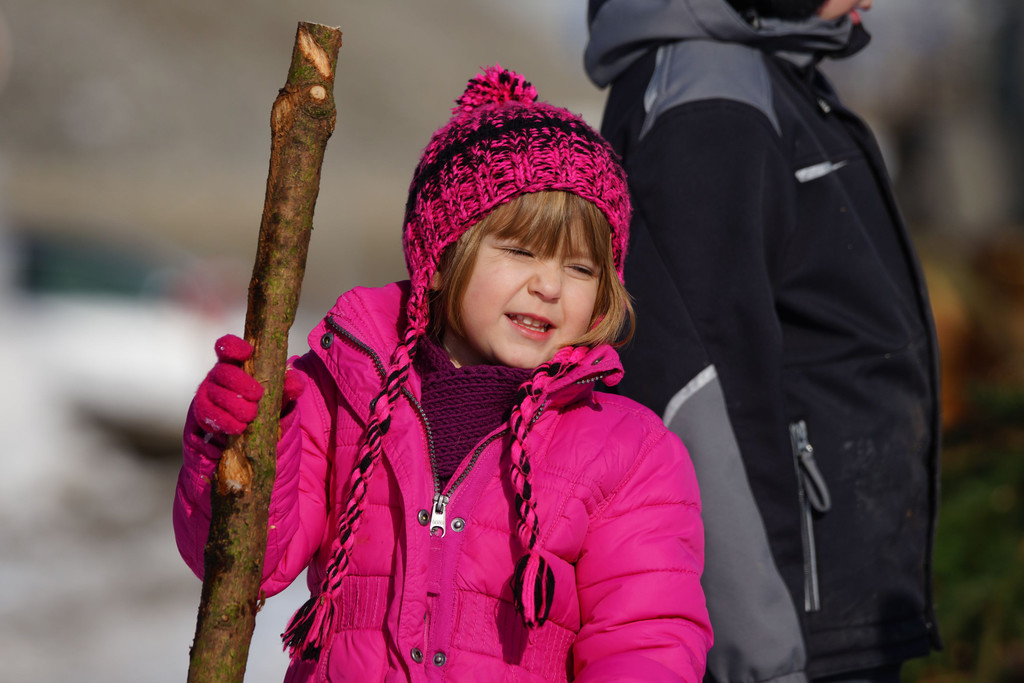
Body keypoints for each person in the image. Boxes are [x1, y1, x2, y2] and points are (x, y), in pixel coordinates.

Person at [173, 65, 713, 682]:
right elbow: (249, 564)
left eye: (581, 268)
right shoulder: (340, 391)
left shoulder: (629, 451)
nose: (549, 286)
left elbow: (647, 642)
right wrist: (231, 443)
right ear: (440, 255)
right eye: (520, 251)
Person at [584, 1, 941, 682]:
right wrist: (763, 658)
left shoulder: (765, 73)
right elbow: (692, 392)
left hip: (823, 595)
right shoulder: (710, 93)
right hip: (788, 620)